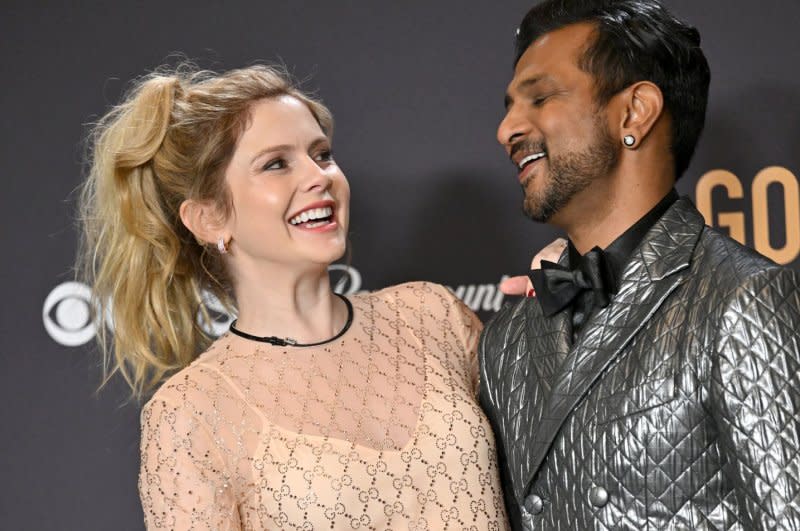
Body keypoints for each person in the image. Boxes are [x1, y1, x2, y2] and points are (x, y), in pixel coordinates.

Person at [78, 64, 510, 529]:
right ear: (209, 220)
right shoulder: (191, 413)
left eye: (321, 154)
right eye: (276, 164)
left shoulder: (433, 315)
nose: (319, 176)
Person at [478, 1, 800, 530]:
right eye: (509, 105)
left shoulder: (746, 297)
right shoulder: (505, 341)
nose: (506, 128)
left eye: (540, 98)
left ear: (634, 113)